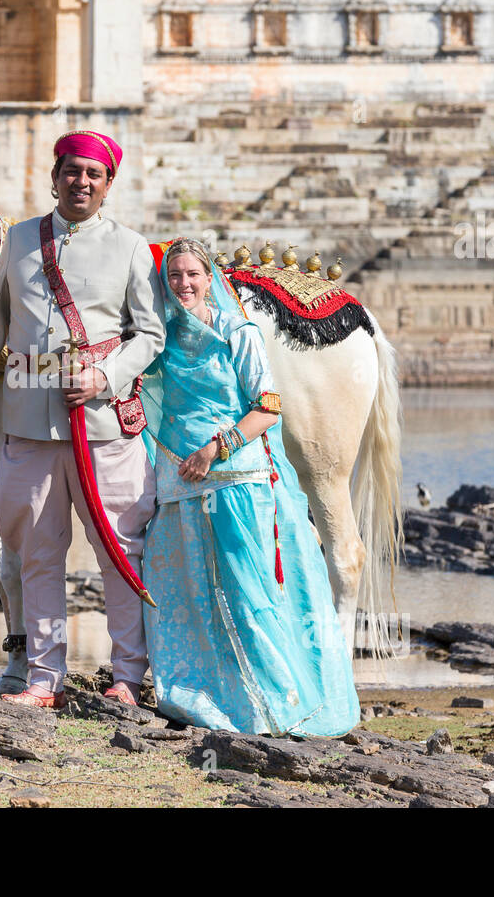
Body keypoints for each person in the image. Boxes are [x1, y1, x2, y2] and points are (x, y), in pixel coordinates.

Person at [0, 130, 165, 709]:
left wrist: (105, 376)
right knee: (34, 552)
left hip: (101, 422)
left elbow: (151, 335)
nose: (81, 182)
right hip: (27, 426)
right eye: (71, 171)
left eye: (93, 175)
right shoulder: (20, 241)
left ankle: (127, 673)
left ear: (108, 186)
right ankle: (43, 678)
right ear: (54, 177)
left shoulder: (130, 247)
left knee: (120, 550)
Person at [137, 237, 360, 737]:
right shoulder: (162, 338)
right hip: (180, 485)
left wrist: (216, 448)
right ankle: (209, 693)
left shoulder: (238, 331)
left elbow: (267, 406)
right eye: (174, 276)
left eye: (193, 275)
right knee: (187, 592)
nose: (184, 284)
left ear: (209, 277)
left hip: (237, 478)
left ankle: (276, 704)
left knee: (249, 592)